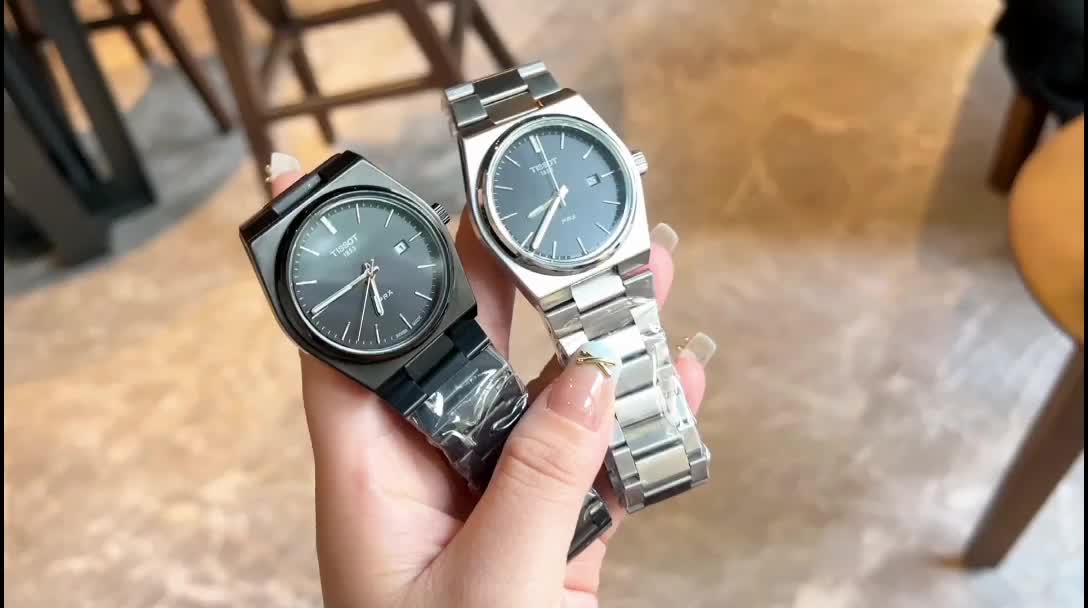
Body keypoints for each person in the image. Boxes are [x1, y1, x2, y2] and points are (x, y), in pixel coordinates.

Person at [269, 158, 716, 608]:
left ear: (428, 223)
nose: (371, 274)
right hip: (394, 364)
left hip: (442, 325)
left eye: (372, 267)